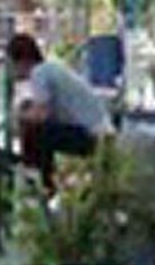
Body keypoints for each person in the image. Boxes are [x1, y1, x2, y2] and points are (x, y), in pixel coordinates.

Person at [6, 33, 113, 190]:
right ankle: (40, 180)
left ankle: (41, 184)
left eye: (12, 64)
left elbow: (41, 115)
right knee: (36, 127)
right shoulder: (49, 68)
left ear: (22, 61)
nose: (11, 70)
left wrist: (17, 115)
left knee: (36, 131)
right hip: (100, 133)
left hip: (93, 137)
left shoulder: (39, 73)